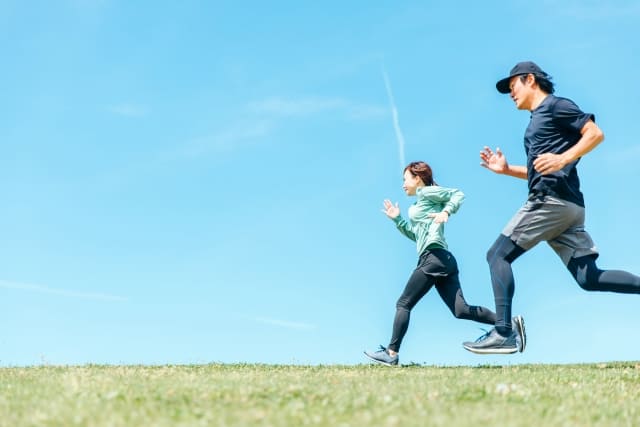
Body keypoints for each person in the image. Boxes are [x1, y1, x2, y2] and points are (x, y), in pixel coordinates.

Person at [463, 61, 640, 354]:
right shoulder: (536, 121)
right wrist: (507, 170)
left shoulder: (556, 106)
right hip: (568, 206)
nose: (510, 94)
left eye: (512, 87)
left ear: (529, 79)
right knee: (588, 278)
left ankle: (504, 331)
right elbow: (540, 169)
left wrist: (563, 159)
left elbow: (595, 133)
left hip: (551, 201)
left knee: (497, 255)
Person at [365, 161, 525, 366]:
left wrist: (447, 212)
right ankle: (507, 324)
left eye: (405, 179)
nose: (403, 184)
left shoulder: (426, 193)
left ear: (417, 178)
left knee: (403, 304)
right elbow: (417, 236)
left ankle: (392, 353)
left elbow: (458, 194)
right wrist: (398, 220)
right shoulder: (418, 204)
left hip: (433, 258)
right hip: (443, 260)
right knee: (461, 310)